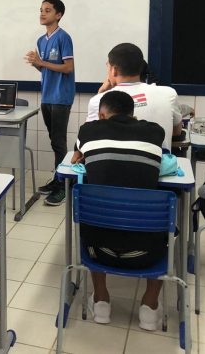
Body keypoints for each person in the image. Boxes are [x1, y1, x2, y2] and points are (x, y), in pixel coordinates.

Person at [72, 90, 166, 330]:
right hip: (148, 253)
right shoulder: (155, 131)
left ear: (102, 116)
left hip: (97, 250)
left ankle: (101, 300)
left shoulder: (88, 131)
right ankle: (149, 307)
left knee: (95, 212)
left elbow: (76, 154)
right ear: (133, 115)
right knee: (167, 222)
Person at [24, 0, 75, 206]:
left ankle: (63, 185)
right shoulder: (41, 40)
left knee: (59, 141)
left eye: (47, 10)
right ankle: (57, 179)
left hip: (61, 96)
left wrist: (41, 62)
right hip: (47, 95)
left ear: (58, 15)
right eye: (41, 10)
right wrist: (36, 63)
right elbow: (45, 68)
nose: (42, 14)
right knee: (54, 141)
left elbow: (67, 67)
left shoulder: (64, 37)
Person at [87, 43, 182, 150]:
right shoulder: (169, 94)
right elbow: (176, 132)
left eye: (108, 66)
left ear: (114, 70)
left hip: (113, 165)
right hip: (156, 164)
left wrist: (101, 93)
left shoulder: (98, 101)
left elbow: (89, 139)